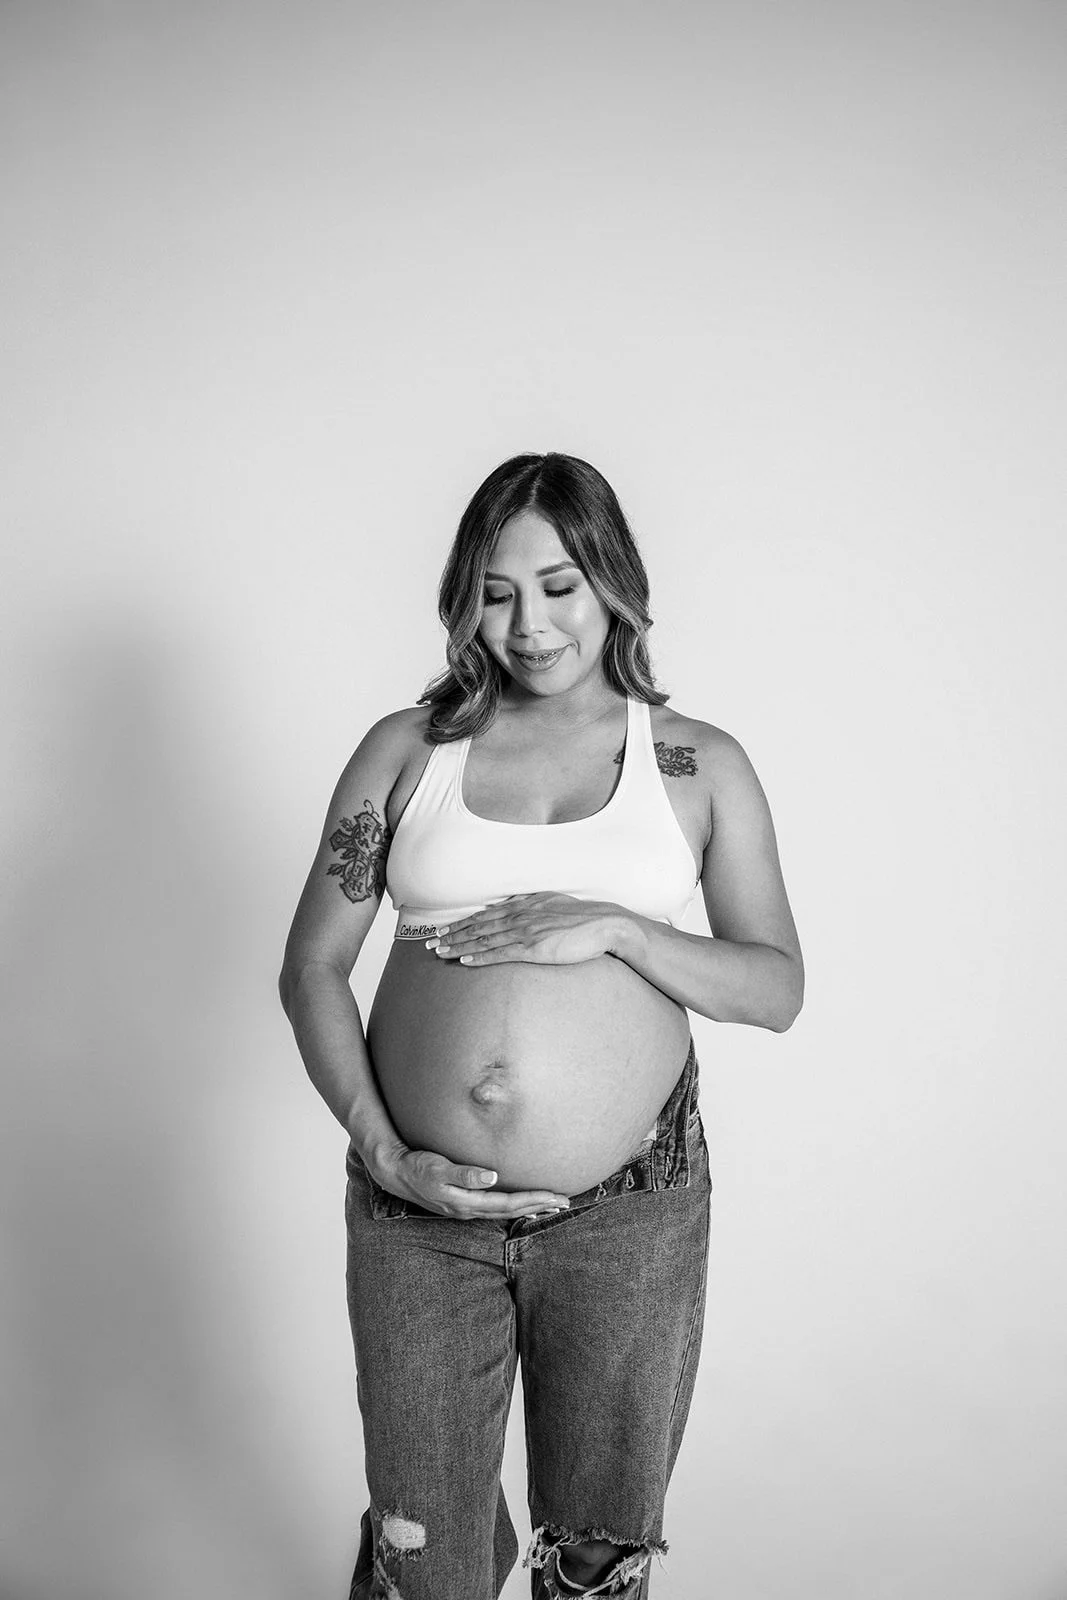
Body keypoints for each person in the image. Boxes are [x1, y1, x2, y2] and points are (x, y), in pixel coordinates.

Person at [278, 451, 803, 1600]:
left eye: (558, 586)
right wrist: (382, 1148)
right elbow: (311, 966)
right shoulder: (407, 749)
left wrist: (615, 927)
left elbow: (771, 987)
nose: (528, 625)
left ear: (611, 580)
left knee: (595, 1560)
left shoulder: (693, 763)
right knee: (422, 1552)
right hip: (418, 1208)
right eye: (496, 592)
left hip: (626, 1212)